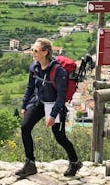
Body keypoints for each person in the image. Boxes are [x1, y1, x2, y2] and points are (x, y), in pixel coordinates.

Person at [15, 38, 82, 177]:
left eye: (35, 50)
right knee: (25, 127)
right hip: (39, 102)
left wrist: (53, 115)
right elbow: (30, 87)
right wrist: (24, 104)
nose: (32, 53)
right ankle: (30, 164)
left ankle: (75, 162)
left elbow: (61, 97)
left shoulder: (59, 71)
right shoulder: (34, 66)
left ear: (45, 52)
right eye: (32, 49)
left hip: (54, 105)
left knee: (59, 136)